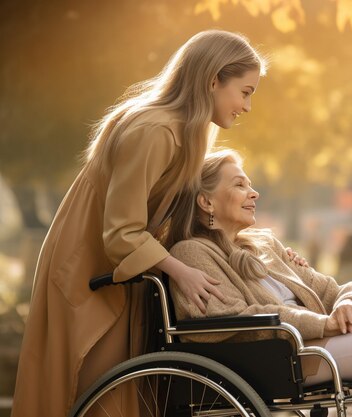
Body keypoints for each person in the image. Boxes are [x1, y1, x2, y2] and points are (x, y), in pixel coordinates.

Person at [11, 30, 267, 417]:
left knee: (123, 392)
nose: (247, 106)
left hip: (124, 265)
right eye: (245, 92)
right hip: (87, 266)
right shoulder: (156, 130)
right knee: (93, 390)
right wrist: (181, 270)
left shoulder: (186, 132)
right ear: (213, 79)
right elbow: (121, 231)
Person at [167, 149, 352, 417]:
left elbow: (330, 288)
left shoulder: (265, 244)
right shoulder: (192, 253)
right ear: (206, 201)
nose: (253, 193)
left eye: (250, 185)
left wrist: (346, 305)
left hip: (310, 345)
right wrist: (325, 323)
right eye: (240, 185)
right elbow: (234, 319)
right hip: (280, 358)